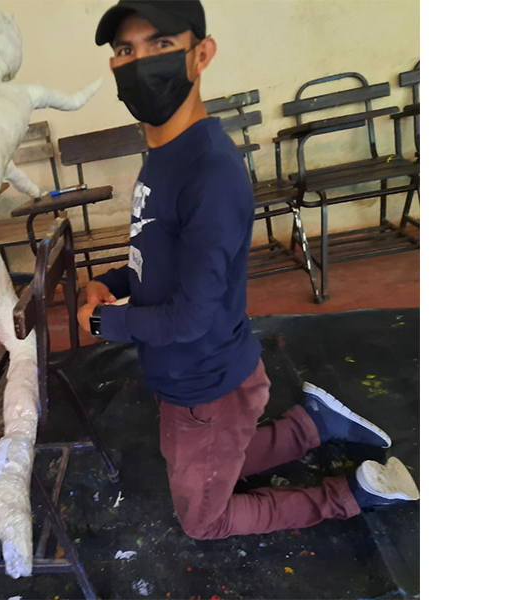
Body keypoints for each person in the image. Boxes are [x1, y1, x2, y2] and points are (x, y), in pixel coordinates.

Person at [77, 0, 420, 541]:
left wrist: (104, 323)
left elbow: (190, 317)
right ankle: (313, 424)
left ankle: (356, 495)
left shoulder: (208, 171)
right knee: (196, 459)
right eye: (125, 49)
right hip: (189, 380)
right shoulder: (164, 155)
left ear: (201, 55)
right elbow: (158, 254)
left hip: (206, 385)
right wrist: (112, 283)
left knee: (203, 521)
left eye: (160, 45)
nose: (140, 62)